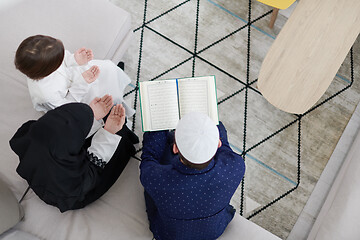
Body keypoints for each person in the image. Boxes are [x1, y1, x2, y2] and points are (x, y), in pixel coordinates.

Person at [9, 96, 136, 212]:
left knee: (96, 120)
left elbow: (65, 129)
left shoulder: (35, 131)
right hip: (72, 193)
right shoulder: (74, 181)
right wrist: (108, 132)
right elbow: (92, 172)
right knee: (120, 136)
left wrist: (89, 114)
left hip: (45, 170)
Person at [140, 112, 246, 240]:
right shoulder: (235, 167)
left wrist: (160, 123)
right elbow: (223, 141)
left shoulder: (156, 179)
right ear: (218, 144)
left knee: (159, 144)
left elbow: (149, 157)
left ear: (175, 149)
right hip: (213, 231)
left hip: (170, 235)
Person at [14, 35, 136, 137]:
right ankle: (114, 109)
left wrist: (74, 59)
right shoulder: (46, 94)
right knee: (100, 94)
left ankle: (115, 88)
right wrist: (83, 82)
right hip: (73, 96)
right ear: (50, 69)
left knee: (107, 68)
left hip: (73, 76)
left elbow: (65, 59)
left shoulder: (48, 58)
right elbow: (67, 108)